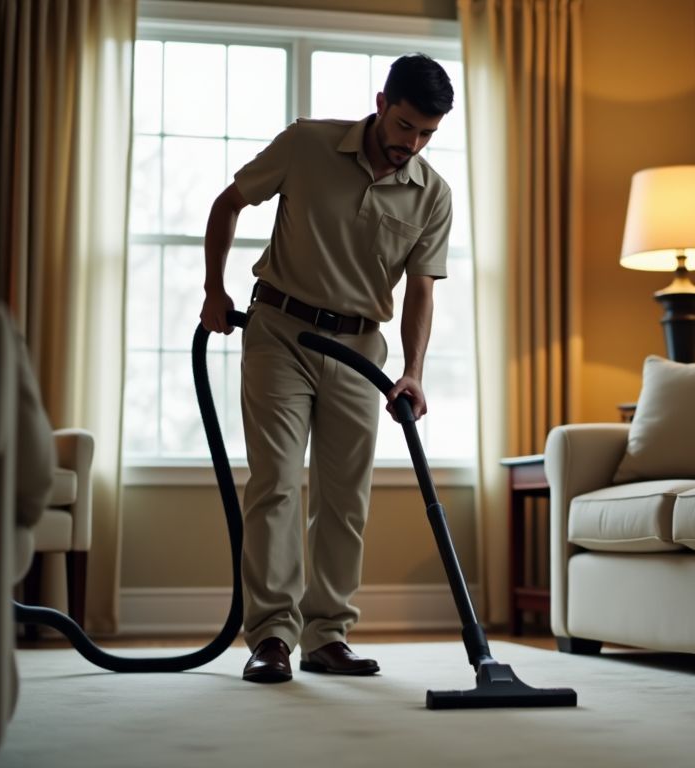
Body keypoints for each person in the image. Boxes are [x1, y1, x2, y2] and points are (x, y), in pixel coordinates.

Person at [199, 54, 454, 683]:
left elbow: (421, 291)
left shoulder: (432, 194)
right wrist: (213, 290)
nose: (411, 144)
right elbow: (227, 204)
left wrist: (414, 370)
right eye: (403, 126)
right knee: (278, 481)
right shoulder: (308, 144)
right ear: (380, 101)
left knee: (345, 500)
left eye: (426, 134)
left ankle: (326, 636)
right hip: (279, 334)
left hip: (360, 351)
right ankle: (272, 637)